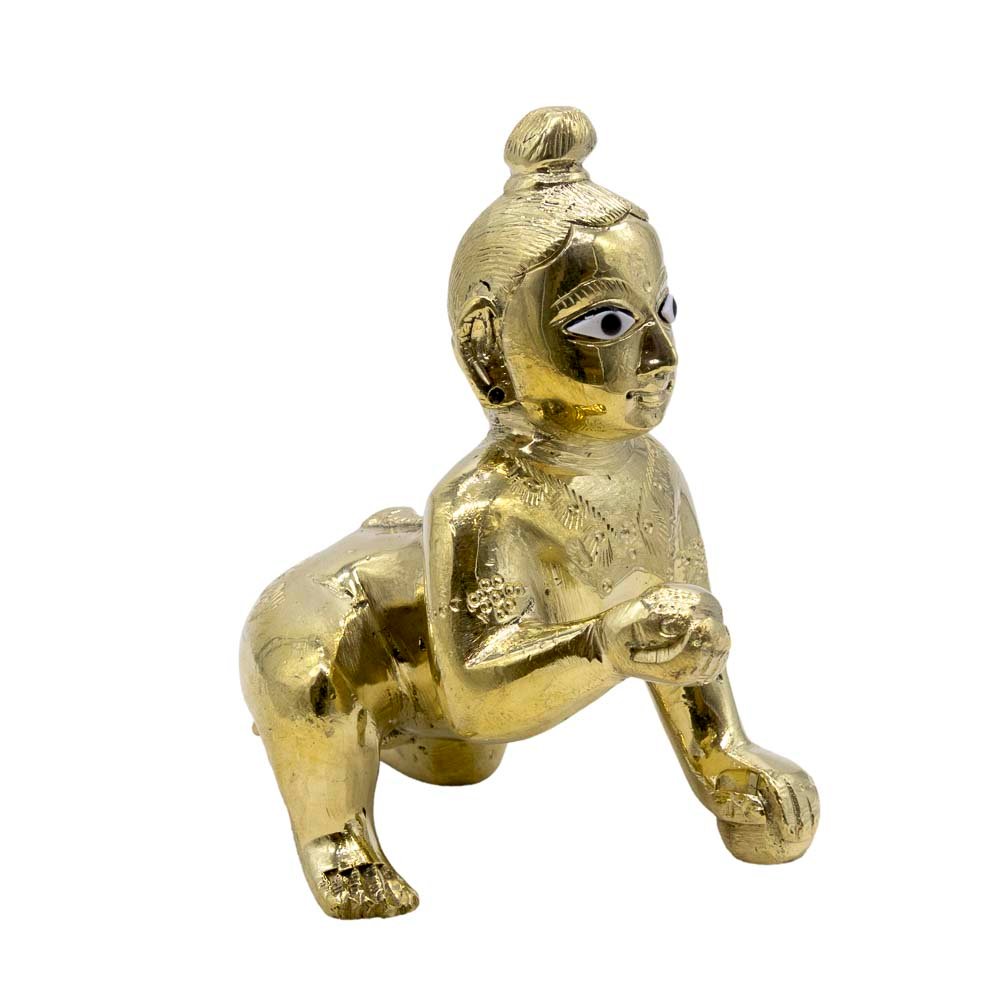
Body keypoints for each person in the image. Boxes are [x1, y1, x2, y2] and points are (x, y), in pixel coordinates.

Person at [241, 107, 819, 919]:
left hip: (456, 727)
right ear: (488, 352)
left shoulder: (656, 474)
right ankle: (334, 833)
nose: (662, 356)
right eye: (607, 324)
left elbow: (685, 638)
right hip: (373, 652)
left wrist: (722, 755)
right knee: (309, 672)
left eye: (664, 311)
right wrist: (608, 643)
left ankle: (415, 754)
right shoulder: (481, 504)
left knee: (465, 765)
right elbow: (478, 698)